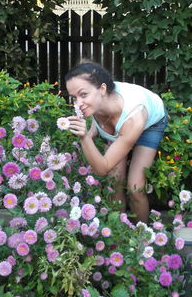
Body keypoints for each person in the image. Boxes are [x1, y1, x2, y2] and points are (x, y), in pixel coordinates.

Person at [65, 62, 167, 223]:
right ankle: (119, 236)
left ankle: (142, 238)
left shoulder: (134, 118)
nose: (77, 104)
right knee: (114, 182)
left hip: (149, 124)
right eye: (73, 98)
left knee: (135, 188)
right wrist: (91, 132)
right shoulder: (93, 103)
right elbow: (107, 170)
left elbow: (102, 168)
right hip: (115, 119)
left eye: (83, 95)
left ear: (103, 89)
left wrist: (84, 137)